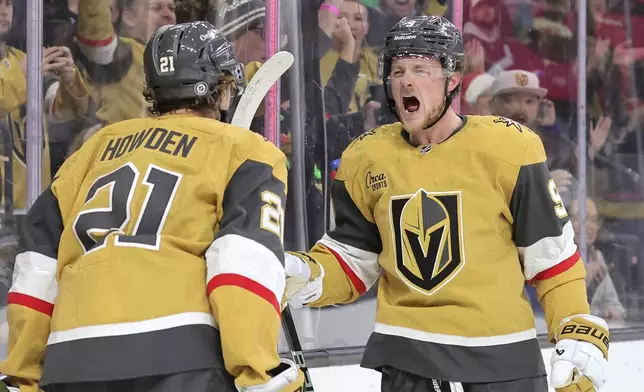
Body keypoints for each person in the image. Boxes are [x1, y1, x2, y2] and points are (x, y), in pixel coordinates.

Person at [284, 15, 610, 392]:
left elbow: (552, 257)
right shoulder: (364, 157)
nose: (406, 80)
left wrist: (574, 330)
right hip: (408, 365)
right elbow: (353, 260)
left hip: (500, 363)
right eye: (399, 69)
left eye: (421, 69)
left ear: (452, 80)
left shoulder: (510, 148)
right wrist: (304, 275)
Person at [0, 21, 303, 392]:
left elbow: (37, 266)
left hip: (73, 357)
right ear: (222, 90)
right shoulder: (245, 150)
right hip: (180, 352)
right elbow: (241, 262)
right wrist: (259, 371)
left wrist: (24, 374)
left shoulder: (95, 147)